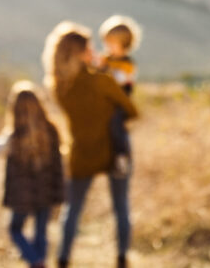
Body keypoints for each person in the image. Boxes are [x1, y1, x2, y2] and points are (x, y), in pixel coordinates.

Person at [44, 21, 140, 268]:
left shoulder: (59, 87)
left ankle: (63, 258)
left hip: (82, 152)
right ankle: (121, 257)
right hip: (114, 150)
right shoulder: (102, 81)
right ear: (80, 52)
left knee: (72, 210)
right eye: (89, 48)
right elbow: (131, 110)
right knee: (121, 207)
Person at [0, 81, 67, 268]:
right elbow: (60, 165)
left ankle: (35, 261)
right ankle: (39, 260)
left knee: (15, 229)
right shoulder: (51, 131)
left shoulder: (14, 135)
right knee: (41, 232)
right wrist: (60, 190)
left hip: (21, 195)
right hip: (46, 192)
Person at [97, 15, 142, 178]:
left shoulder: (127, 64)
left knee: (116, 125)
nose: (107, 47)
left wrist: (105, 70)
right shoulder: (106, 59)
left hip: (120, 103)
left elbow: (121, 80)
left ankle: (121, 157)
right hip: (106, 103)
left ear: (124, 44)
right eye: (106, 42)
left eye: (111, 43)